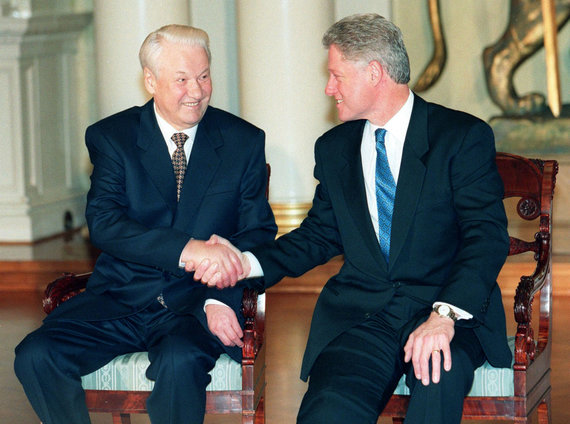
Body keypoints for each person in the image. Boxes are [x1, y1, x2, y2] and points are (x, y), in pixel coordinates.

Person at [199, 13, 512, 424]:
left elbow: (485, 237)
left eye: (337, 76)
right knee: (327, 410)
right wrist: (244, 262)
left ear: (375, 73)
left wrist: (444, 316)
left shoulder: (461, 137)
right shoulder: (335, 148)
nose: (329, 88)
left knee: (437, 383)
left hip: (444, 311)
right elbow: (318, 236)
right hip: (364, 315)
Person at [14, 24, 276, 424]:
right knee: (35, 355)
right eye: (182, 79)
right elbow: (104, 223)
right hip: (120, 298)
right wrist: (188, 249)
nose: (197, 90)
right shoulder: (113, 137)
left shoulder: (242, 142)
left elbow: (257, 235)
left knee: (180, 359)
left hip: (195, 305)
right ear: (150, 80)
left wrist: (218, 299)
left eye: (204, 76)